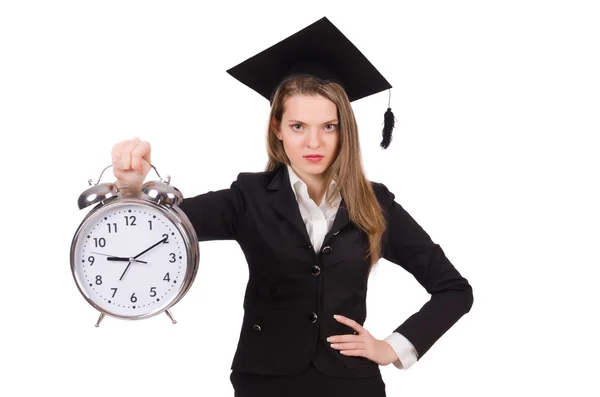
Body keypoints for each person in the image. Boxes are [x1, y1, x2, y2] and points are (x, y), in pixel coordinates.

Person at [111, 16, 473, 397]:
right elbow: (167, 226)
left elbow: (454, 290)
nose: (313, 142)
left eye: (328, 126)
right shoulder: (247, 197)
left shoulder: (375, 203)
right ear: (278, 129)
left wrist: (391, 348)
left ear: (343, 129)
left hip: (352, 386)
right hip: (264, 383)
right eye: (298, 126)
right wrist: (132, 188)